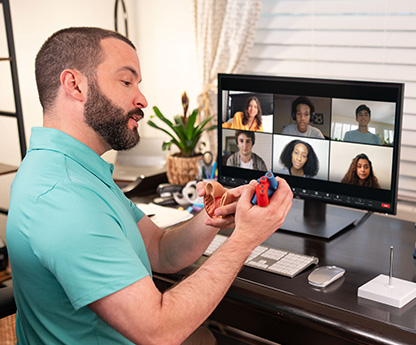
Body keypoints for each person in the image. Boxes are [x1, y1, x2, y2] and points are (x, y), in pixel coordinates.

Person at [6, 27, 293, 345]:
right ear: (75, 85)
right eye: (127, 81)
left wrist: (212, 217)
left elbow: (158, 250)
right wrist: (245, 239)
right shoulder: (65, 197)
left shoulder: (71, 168)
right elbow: (159, 331)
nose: (141, 99)